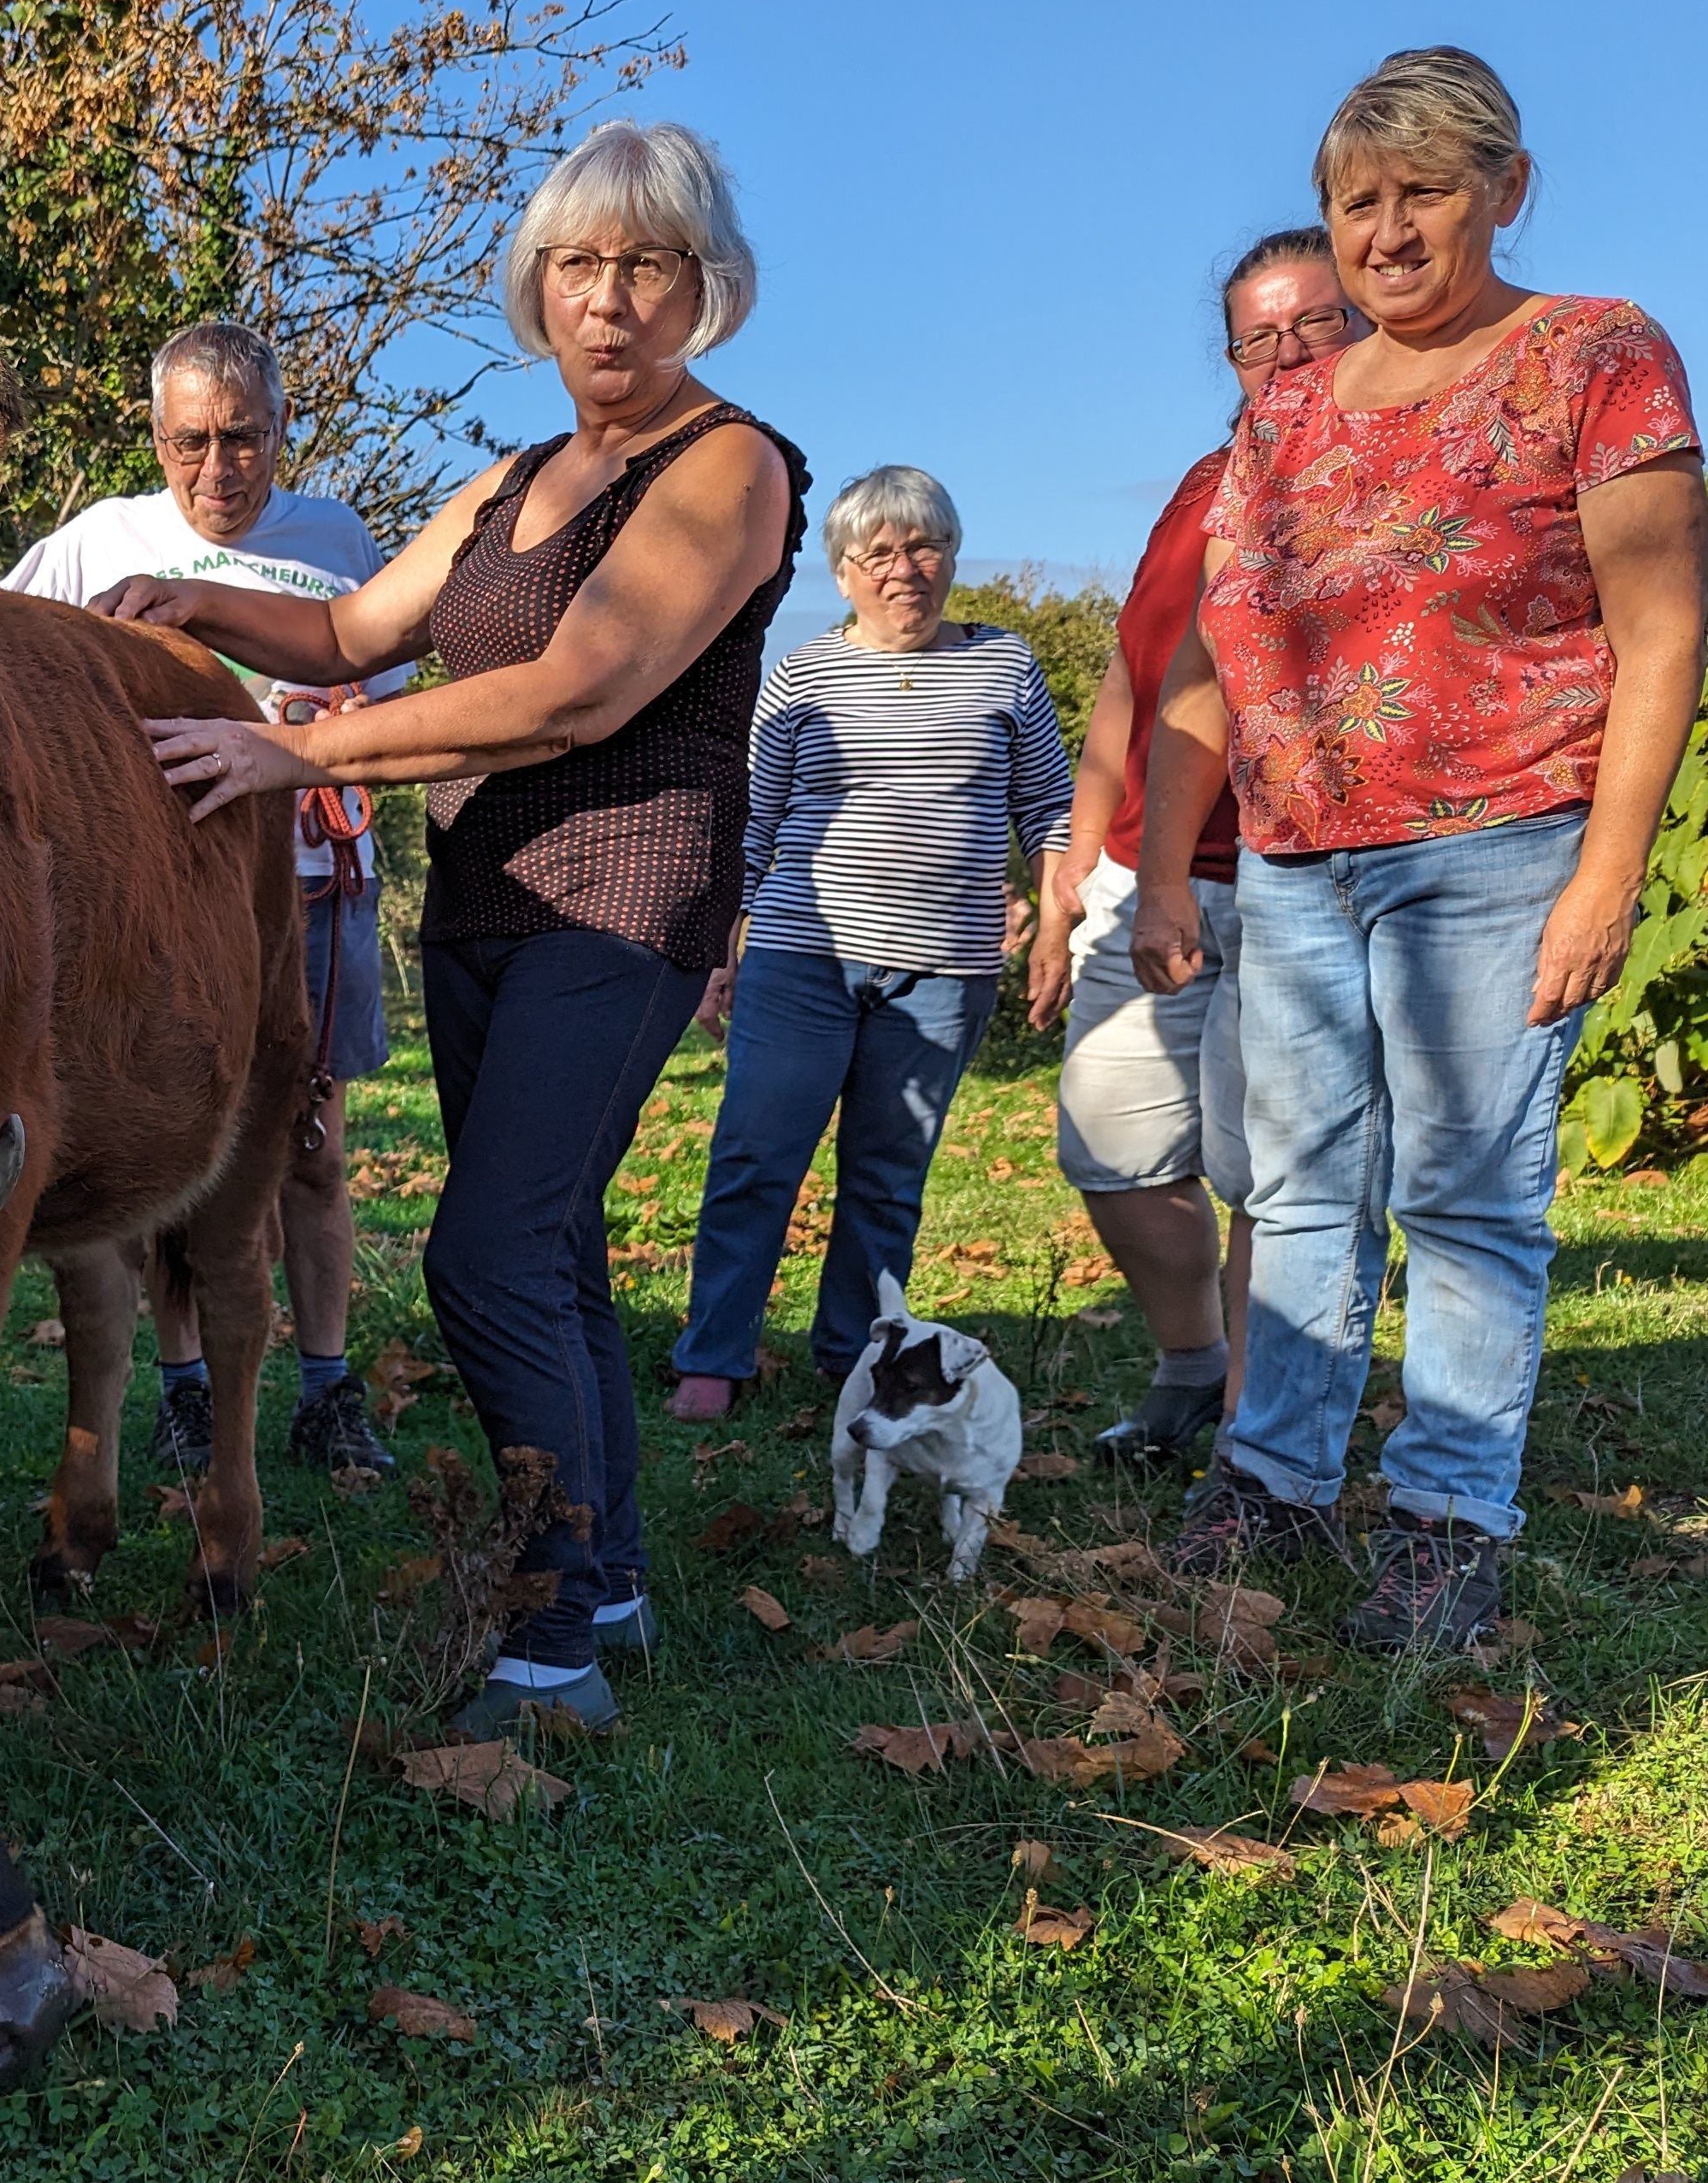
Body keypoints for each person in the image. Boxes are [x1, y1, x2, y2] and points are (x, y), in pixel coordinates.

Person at [107, 119, 809, 1737]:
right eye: (578, 265)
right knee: (552, 1248)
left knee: (485, 1252)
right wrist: (202, 600)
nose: (609, 300)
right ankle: (612, 1574)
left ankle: (549, 1642)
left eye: (646, 265)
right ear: (536, 287)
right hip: (491, 899)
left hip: (625, 897)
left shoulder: (728, 465)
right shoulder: (507, 481)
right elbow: (354, 627)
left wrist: (294, 748)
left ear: (705, 287)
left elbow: (583, 691)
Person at [1134, 48, 1708, 1647]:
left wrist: (1608, 871)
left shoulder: (1593, 355)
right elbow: (1206, 662)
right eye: (1356, 200)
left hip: (1504, 836)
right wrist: (1174, 863)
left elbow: (1663, 633)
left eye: (1424, 192)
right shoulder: (1287, 412)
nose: (1386, 231)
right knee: (1305, 1185)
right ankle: (1276, 1479)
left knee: (1464, 1195)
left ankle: (1451, 1517)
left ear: (1505, 191)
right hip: (1304, 858)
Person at [3, 322, 410, 1475]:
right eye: (192, 443)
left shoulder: (335, 541)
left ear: (283, 432)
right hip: (152, 913)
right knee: (166, 1157)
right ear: (155, 435)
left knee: (310, 1151)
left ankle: (328, 1392)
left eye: (244, 440)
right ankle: (188, 1393)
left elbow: (389, 715)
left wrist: (336, 735)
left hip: (316, 891)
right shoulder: (95, 546)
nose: (218, 471)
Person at [1039, 229, 1363, 1471]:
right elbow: (1136, 678)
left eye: (1313, 324)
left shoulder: (1390, 477)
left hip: (1293, 874)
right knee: (1108, 1147)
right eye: (1257, 336)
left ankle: (1253, 1440)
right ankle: (1195, 1361)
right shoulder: (1197, 485)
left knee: (1267, 1173)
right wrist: (1077, 874)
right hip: (1143, 873)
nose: (1284, 354)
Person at [666, 469, 1074, 1409]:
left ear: (952, 557)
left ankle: (852, 1357)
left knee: (888, 1176)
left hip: (945, 964)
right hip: (801, 951)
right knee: (757, 1154)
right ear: (843, 572)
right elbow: (755, 820)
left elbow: (1050, 809)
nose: (904, 569)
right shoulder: (804, 673)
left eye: (924, 546)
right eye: (878, 553)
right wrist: (718, 951)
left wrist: (1053, 926)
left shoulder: (1004, 665)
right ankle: (712, 1357)